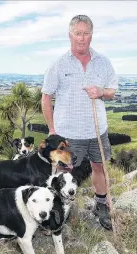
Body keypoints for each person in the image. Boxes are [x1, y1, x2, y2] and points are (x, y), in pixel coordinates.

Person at [41, 15, 119, 230]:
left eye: (86, 33)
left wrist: (102, 91)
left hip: (97, 130)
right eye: (78, 33)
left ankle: (101, 205)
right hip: (68, 133)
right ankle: (55, 211)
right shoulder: (58, 64)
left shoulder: (103, 62)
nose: (82, 38)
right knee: (63, 173)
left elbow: (112, 90)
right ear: (70, 35)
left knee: (99, 167)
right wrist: (52, 130)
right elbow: (46, 96)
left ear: (91, 35)